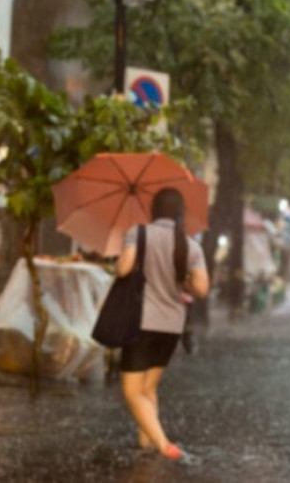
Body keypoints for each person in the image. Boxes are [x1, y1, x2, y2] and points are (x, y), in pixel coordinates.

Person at [115, 187, 209, 461]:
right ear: (180, 212)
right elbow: (201, 289)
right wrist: (183, 280)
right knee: (148, 389)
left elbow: (122, 269)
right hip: (171, 326)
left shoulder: (139, 233)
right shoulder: (190, 246)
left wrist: (125, 261)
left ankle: (163, 445)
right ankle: (145, 448)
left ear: (154, 209)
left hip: (140, 323)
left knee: (132, 392)